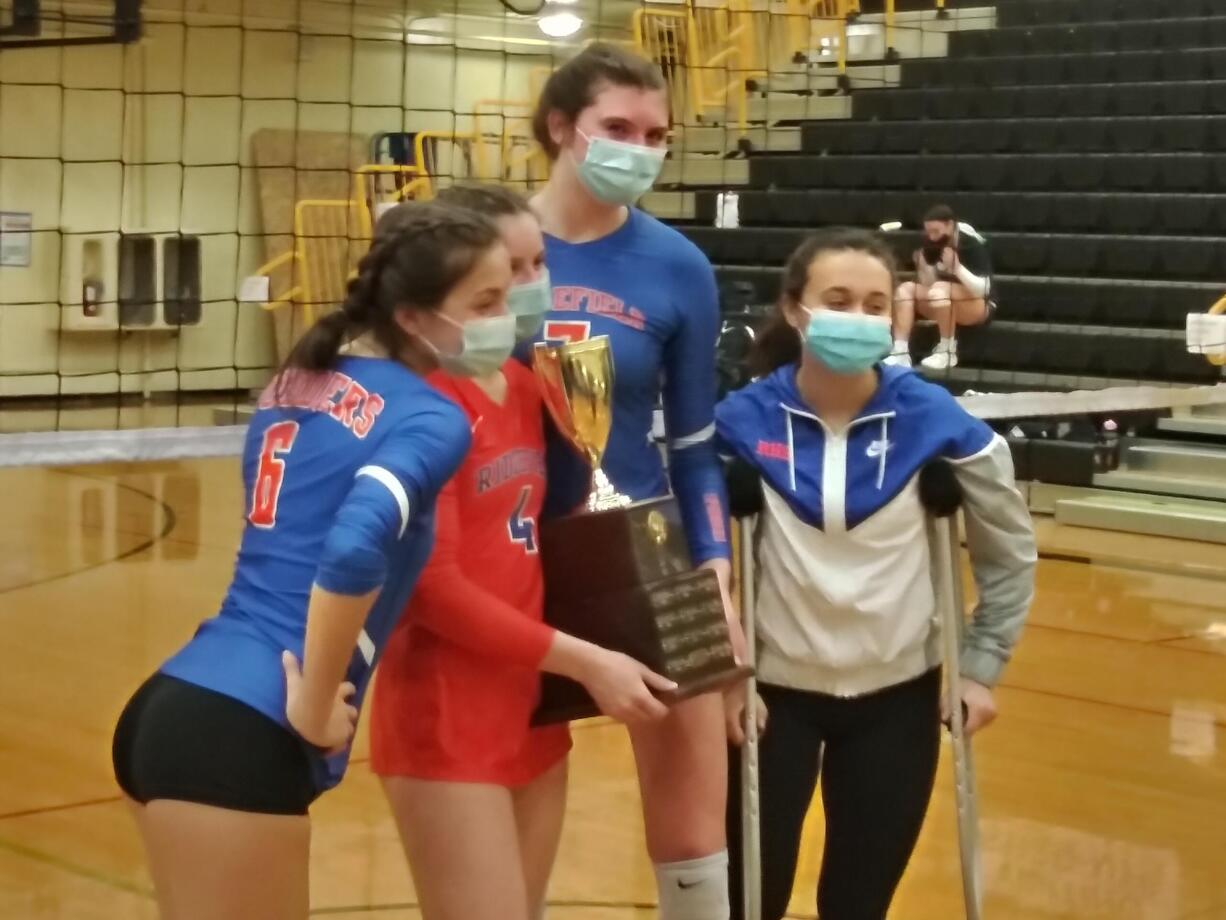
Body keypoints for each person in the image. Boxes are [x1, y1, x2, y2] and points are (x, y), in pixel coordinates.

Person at [111, 202, 515, 920]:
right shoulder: (431, 417)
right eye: (486, 302)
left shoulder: (295, 382)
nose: (506, 316)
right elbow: (355, 545)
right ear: (416, 318)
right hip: (244, 731)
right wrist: (315, 695)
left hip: (182, 705)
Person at [370, 183, 675, 920]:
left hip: (532, 706)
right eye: (491, 291)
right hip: (445, 714)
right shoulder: (418, 408)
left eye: (526, 277)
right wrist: (588, 661)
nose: (519, 298)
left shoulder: (522, 383)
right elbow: (432, 589)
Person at [716, 228, 1035, 920]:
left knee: (859, 903)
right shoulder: (739, 424)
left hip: (898, 698)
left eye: (874, 303)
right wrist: (718, 676)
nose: (857, 317)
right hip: (768, 698)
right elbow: (693, 565)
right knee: (748, 900)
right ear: (795, 310)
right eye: (837, 300)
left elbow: (1007, 553)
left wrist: (980, 667)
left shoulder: (939, 423)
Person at [529, 42, 740, 920]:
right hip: (513, 558)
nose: (640, 149)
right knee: (512, 813)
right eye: (618, 128)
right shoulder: (483, 241)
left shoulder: (679, 266)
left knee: (696, 825)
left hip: (651, 545)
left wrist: (717, 574)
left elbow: (694, 447)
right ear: (560, 128)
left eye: (656, 133)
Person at [887, 204, 995, 370]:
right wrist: (924, 268)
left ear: (950, 225)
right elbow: (929, 286)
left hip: (978, 305)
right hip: (943, 299)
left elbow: (985, 290)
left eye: (936, 231)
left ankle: (947, 351)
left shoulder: (970, 243)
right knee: (906, 289)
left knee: (940, 290)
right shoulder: (931, 243)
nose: (932, 236)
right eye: (929, 232)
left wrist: (957, 269)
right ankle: (900, 353)